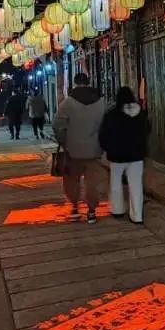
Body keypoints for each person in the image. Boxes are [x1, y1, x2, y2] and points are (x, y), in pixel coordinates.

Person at [53, 73, 106, 224]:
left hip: (73, 150)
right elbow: (106, 125)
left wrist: (64, 142)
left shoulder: (67, 104)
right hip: (94, 149)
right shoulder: (101, 102)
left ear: (75, 83)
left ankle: (75, 207)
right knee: (92, 182)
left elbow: (58, 126)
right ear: (88, 82)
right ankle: (91, 211)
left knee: (71, 180)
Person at [99, 87, 150, 224]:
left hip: (117, 156)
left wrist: (107, 148)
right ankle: (137, 216)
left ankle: (117, 209)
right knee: (136, 185)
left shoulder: (112, 115)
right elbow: (147, 131)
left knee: (115, 183)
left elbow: (103, 135)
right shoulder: (141, 114)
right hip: (137, 156)